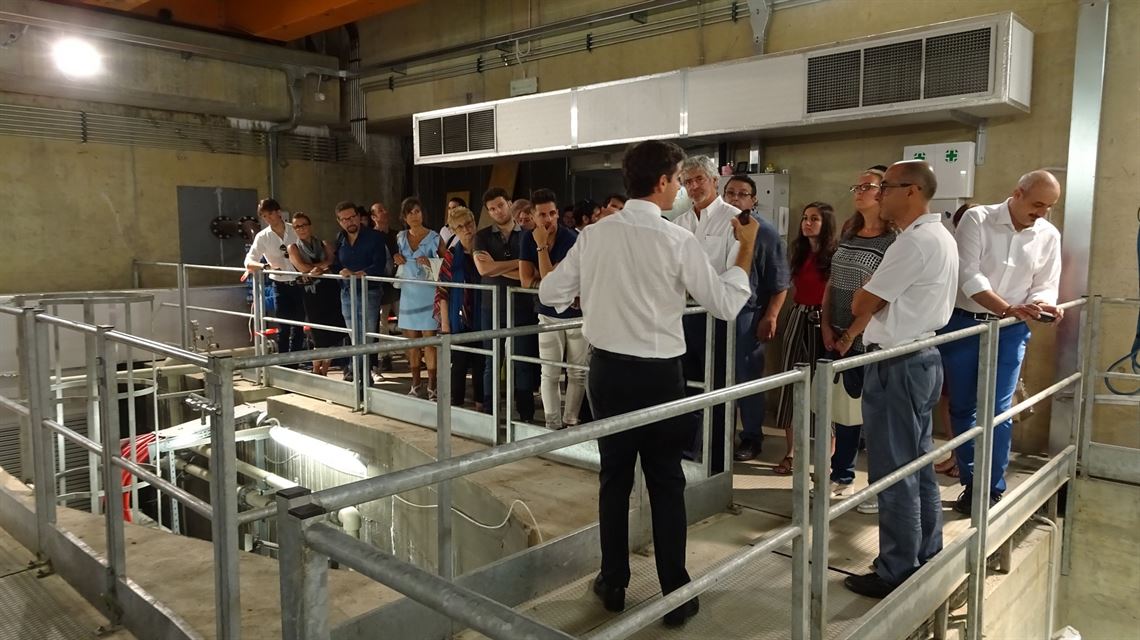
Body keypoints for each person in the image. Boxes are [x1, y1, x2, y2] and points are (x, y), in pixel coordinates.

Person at [539, 139, 758, 627]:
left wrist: (592, 292)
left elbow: (551, 293)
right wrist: (744, 249)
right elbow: (725, 305)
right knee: (666, 480)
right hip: (661, 376)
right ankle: (675, 593)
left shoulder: (594, 236)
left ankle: (614, 582)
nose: (680, 187)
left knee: (614, 478)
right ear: (661, 182)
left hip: (609, 373)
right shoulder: (677, 240)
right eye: (678, 179)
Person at [838, 160, 957, 599]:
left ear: (912, 191)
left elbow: (860, 304)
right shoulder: (937, 236)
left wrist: (869, 289)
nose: (879, 194)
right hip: (921, 357)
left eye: (886, 187)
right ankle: (925, 551)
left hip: (898, 363)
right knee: (917, 464)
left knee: (893, 471)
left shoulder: (913, 244)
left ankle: (897, 568)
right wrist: (873, 291)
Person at [939, 170, 1063, 516]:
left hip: (1011, 331)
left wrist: (1042, 305)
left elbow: (1045, 283)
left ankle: (991, 489)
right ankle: (971, 483)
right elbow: (968, 274)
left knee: (998, 411)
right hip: (965, 324)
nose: (1042, 212)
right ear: (1017, 193)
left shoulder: (1048, 234)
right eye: (1037, 203)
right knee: (963, 408)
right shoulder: (978, 219)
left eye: (1049, 206)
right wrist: (1006, 307)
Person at [821, 167, 898, 506]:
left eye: (868, 186)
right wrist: (826, 324)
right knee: (843, 411)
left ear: (884, 192)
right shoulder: (850, 231)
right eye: (858, 186)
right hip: (836, 331)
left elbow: (881, 295)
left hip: (866, 336)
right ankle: (841, 474)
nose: (860, 191)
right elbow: (833, 280)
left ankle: (873, 484)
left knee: (869, 413)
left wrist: (852, 333)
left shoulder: (892, 240)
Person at [674, 155, 746, 469]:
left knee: (717, 389)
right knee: (684, 386)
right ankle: (686, 455)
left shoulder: (734, 218)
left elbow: (733, 271)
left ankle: (717, 461)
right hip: (683, 317)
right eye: (687, 182)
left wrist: (698, 286)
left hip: (717, 317)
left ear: (715, 180)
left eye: (698, 179)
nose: (693, 187)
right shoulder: (679, 223)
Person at [721, 175, 790, 463]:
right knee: (715, 378)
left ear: (754, 199)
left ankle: (751, 436)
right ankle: (717, 435)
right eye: (730, 193)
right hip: (715, 309)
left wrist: (771, 316)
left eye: (742, 194)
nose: (735, 198)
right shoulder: (717, 226)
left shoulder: (766, 232)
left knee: (747, 377)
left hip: (747, 315)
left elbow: (780, 282)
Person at [772, 202, 837, 473]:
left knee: (822, 385)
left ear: (826, 224)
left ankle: (827, 458)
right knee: (791, 381)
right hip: (798, 314)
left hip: (823, 319)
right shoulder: (798, 251)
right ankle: (792, 452)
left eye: (814, 219)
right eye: (805, 218)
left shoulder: (834, 254)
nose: (807, 223)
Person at [519, 188, 587, 430]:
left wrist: (541, 249)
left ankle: (571, 422)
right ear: (533, 216)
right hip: (547, 313)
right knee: (549, 372)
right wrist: (540, 247)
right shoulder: (527, 238)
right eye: (542, 214)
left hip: (576, 315)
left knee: (577, 372)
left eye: (551, 213)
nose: (548, 219)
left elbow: (547, 279)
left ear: (557, 213)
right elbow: (526, 280)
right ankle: (552, 425)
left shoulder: (570, 238)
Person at [474, 187, 538, 421]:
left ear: (509, 204)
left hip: (522, 307)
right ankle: (491, 414)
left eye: (500, 205)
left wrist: (498, 266)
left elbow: (534, 272)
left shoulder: (528, 235)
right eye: (492, 209)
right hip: (491, 307)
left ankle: (526, 414)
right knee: (492, 361)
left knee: (522, 362)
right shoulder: (481, 236)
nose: (497, 211)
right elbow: (483, 269)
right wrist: (519, 265)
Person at [436, 206, 485, 410]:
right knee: (459, 363)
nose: (467, 229)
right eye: (460, 227)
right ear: (454, 230)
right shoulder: (451, 255)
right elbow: (442, 290)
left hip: (483, 313)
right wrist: (445, 324)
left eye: (469, 224)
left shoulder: (485, 249)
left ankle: (482, 404)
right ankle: (455, 406)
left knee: (482, 362)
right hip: (458, 317)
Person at [335, 201, 389, 385]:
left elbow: (379, 264)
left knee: (366, 335)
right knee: (353, 336)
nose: (349, 221)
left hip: (369, 291)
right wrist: (338, 272)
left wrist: (358, 274)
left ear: (358, 217)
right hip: (347, 292)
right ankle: (357, 375)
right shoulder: (340, 238)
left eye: (352, 217)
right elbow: (336, 262)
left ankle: (364, 378)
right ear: (339, 221)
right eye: (344, 219)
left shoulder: (375, 237)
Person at [394, 197, 442, 399]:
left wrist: (431, 262)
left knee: (429, 341)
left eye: (417, 211)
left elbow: (446, 262)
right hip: (408, 292)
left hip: (427, 292)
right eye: (410, 213)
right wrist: (396, 259)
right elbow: (397, 260)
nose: (414, 216)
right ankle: (415, 383)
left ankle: (432, 385)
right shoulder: (400, 237)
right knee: (411, 342)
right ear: (404, 217)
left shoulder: (434, 237)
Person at [243, 198, 304, 357]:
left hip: (300, 283)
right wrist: (265, 266)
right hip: (280, 285)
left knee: (298, 326)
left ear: (278, 212)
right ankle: (283, 362)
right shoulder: (263, 236)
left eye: (270, 214)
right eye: (264, 216)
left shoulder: (295, 229)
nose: (268, 218)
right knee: (283, 326)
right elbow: (249, 261)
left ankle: (295, 362)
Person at [286, 213, 345, 376]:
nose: (301, 229)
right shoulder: (293, 248)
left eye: (303, 225)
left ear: (310, 226)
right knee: (319, 336)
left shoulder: (324, 243)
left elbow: (332, 261)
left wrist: (316, 269)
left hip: (330, 292)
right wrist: (320, 267)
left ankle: (324, 371)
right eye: (297, 226)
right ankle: (316, 371)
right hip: (311, 295)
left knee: (333, 335)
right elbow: (302, 267)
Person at [371, 202, 400, 371]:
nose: (385, 212)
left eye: (385, 209)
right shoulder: (371, 237)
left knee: (404, 318)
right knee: (382, 321)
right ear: (373, 217)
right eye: (380, 211)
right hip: (380, 284)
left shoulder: (397, 235)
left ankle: (412, 353)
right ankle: (384, 356)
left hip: (397, 282)